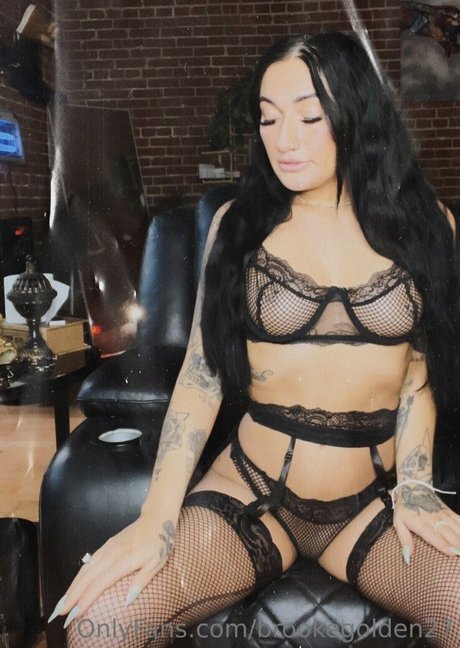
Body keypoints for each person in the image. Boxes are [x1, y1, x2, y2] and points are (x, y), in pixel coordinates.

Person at [48, 31, 460, 647]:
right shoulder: (237, 225)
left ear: (357, 114)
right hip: (250, 490)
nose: (283, 139)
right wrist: (156, 519)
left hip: (369, 501)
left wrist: (419, 488)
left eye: (309, 117)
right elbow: (201, 379)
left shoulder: (428, 225)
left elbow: (416, 380)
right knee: (100, 625)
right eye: (268, 118)